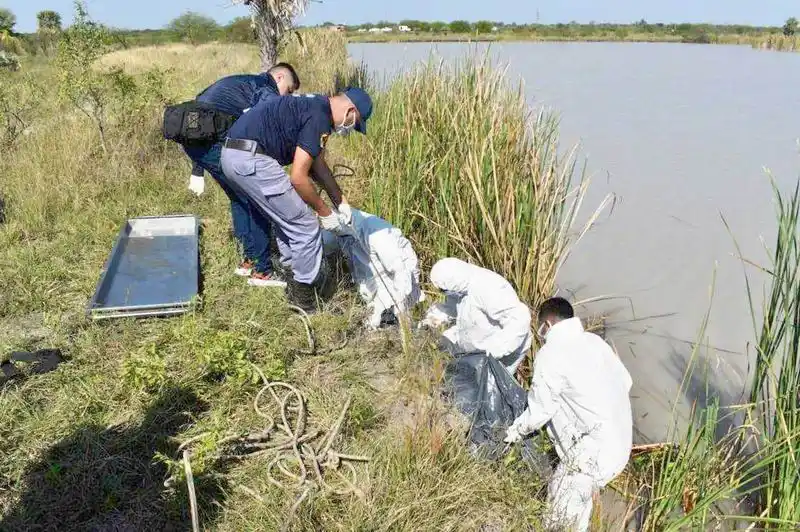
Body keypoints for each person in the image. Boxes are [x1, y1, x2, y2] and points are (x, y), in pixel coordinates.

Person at [220, 87, 373, 311]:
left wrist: (340, 201)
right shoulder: (319, 117)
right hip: (250, 159)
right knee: (305, 224)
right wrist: (325, 212)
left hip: (236, 154)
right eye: (354, 123)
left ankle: (294, 275)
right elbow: (298, 178)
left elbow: (317, 165)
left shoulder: (315, 106)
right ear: (350, 110)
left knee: (287, 217)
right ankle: (305, 299)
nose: (348, 129)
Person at [504, 297, 633, 532]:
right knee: (578, 507)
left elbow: (540, 411)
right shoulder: (594, 342)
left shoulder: (551, 353)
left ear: (549, 324)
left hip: (591, 453)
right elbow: (626, 381)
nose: (540, 332)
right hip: (621, 445)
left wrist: (513, 431)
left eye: (540, 326)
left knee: (560, 512)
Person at [184, 63, 301, 287]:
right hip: (211, 144)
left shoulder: (243, 83)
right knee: (255, 198)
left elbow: (199, 110)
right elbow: (273, 114)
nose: (288, 94)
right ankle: (262, 271)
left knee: (239, 197)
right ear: (279, 77)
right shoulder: (264, 86)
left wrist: (197, 169)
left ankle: (249, 261)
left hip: (197, 143)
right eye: (289, 89)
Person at [423, 258, 532, 375]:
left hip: (502, 353)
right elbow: (451, 305)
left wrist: (492, 353)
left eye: (443, 290)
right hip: (477, 347)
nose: (442, 292)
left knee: (489, 390)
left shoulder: (489, 288)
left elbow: (520, 320)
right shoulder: (460, 284)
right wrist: (432, 319)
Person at [327, 208, 425, 328]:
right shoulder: (338, 230)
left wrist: (398, 307)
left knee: (387, 326)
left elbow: (401, 271)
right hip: (370, 283)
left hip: (393, 285)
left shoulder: (376, 233)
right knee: (369, 325)